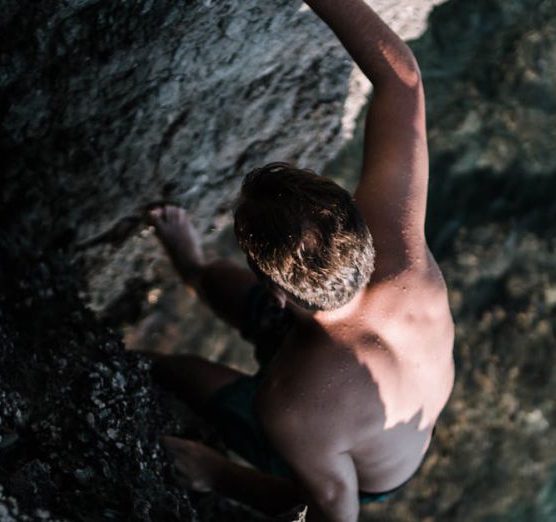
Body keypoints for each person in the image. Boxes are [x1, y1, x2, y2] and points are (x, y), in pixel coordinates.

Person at [147, 1, 454, 520]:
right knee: (214, 283)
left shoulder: (288, 407)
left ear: (279, 292)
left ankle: (195, 283)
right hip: (341, 352)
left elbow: (335, 507)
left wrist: (219, 474)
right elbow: (402, 81)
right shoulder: (397, 246)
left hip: (356, 452)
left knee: (177, 372)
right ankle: (196, 269)